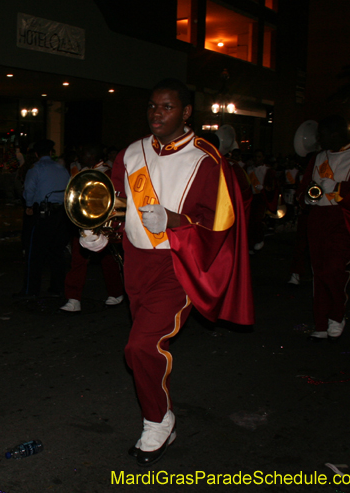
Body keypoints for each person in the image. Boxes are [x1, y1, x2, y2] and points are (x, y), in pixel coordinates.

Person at [80, 78, 253, 466]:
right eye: (153, 106)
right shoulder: (131, 154)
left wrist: (174, 220)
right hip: (136, 264)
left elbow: (221, 224)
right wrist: (99, 234)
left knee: (140, 345)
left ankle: (158, 420)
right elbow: (115, 205)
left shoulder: (206, 159)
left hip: (179, 265)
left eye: (167, 107)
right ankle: (160, 412)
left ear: (186, 112)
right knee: (147, 347)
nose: (157, 114)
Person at [297, 115, 350, 341]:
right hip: (318, 217)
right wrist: (308, 197)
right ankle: (320, 321)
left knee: (333, 269)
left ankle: (337, 315)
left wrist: (337, 188)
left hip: (342, 218)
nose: (318, 139)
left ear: (335, 133)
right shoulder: (318, 157)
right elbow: (307, 184)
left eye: (322, 135)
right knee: (318, 270)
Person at [60, 143, 124, 312]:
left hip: (103, 224)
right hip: (83, 223)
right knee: (78, 261)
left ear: (92, 155)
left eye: (84, 154)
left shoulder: (108, 173)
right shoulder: (81, 173)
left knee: (108, 260)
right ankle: (73, 298)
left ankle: (116, 292)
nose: (80, 158)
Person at [16, 139, 71, 299]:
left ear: (36, 154)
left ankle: (30, 290)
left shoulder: (36, 169)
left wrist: (28, 206)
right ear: (51, 153)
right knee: (57, 252)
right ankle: (57, 287)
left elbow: (29, 191)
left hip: (43, 214)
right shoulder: (62, 169)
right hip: (61, 215)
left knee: (34, 253)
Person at [246, 149, 279, 253]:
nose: (257, 159)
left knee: (257, 220)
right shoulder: (248, 169)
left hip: (261, 197)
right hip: (250, 197)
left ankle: (259, 239)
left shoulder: (267, 170)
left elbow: (273, 186)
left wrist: (264, 188)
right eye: (255, 157)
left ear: (263, 158)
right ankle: (250, 244)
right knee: (249, 221)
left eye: (259, 157)